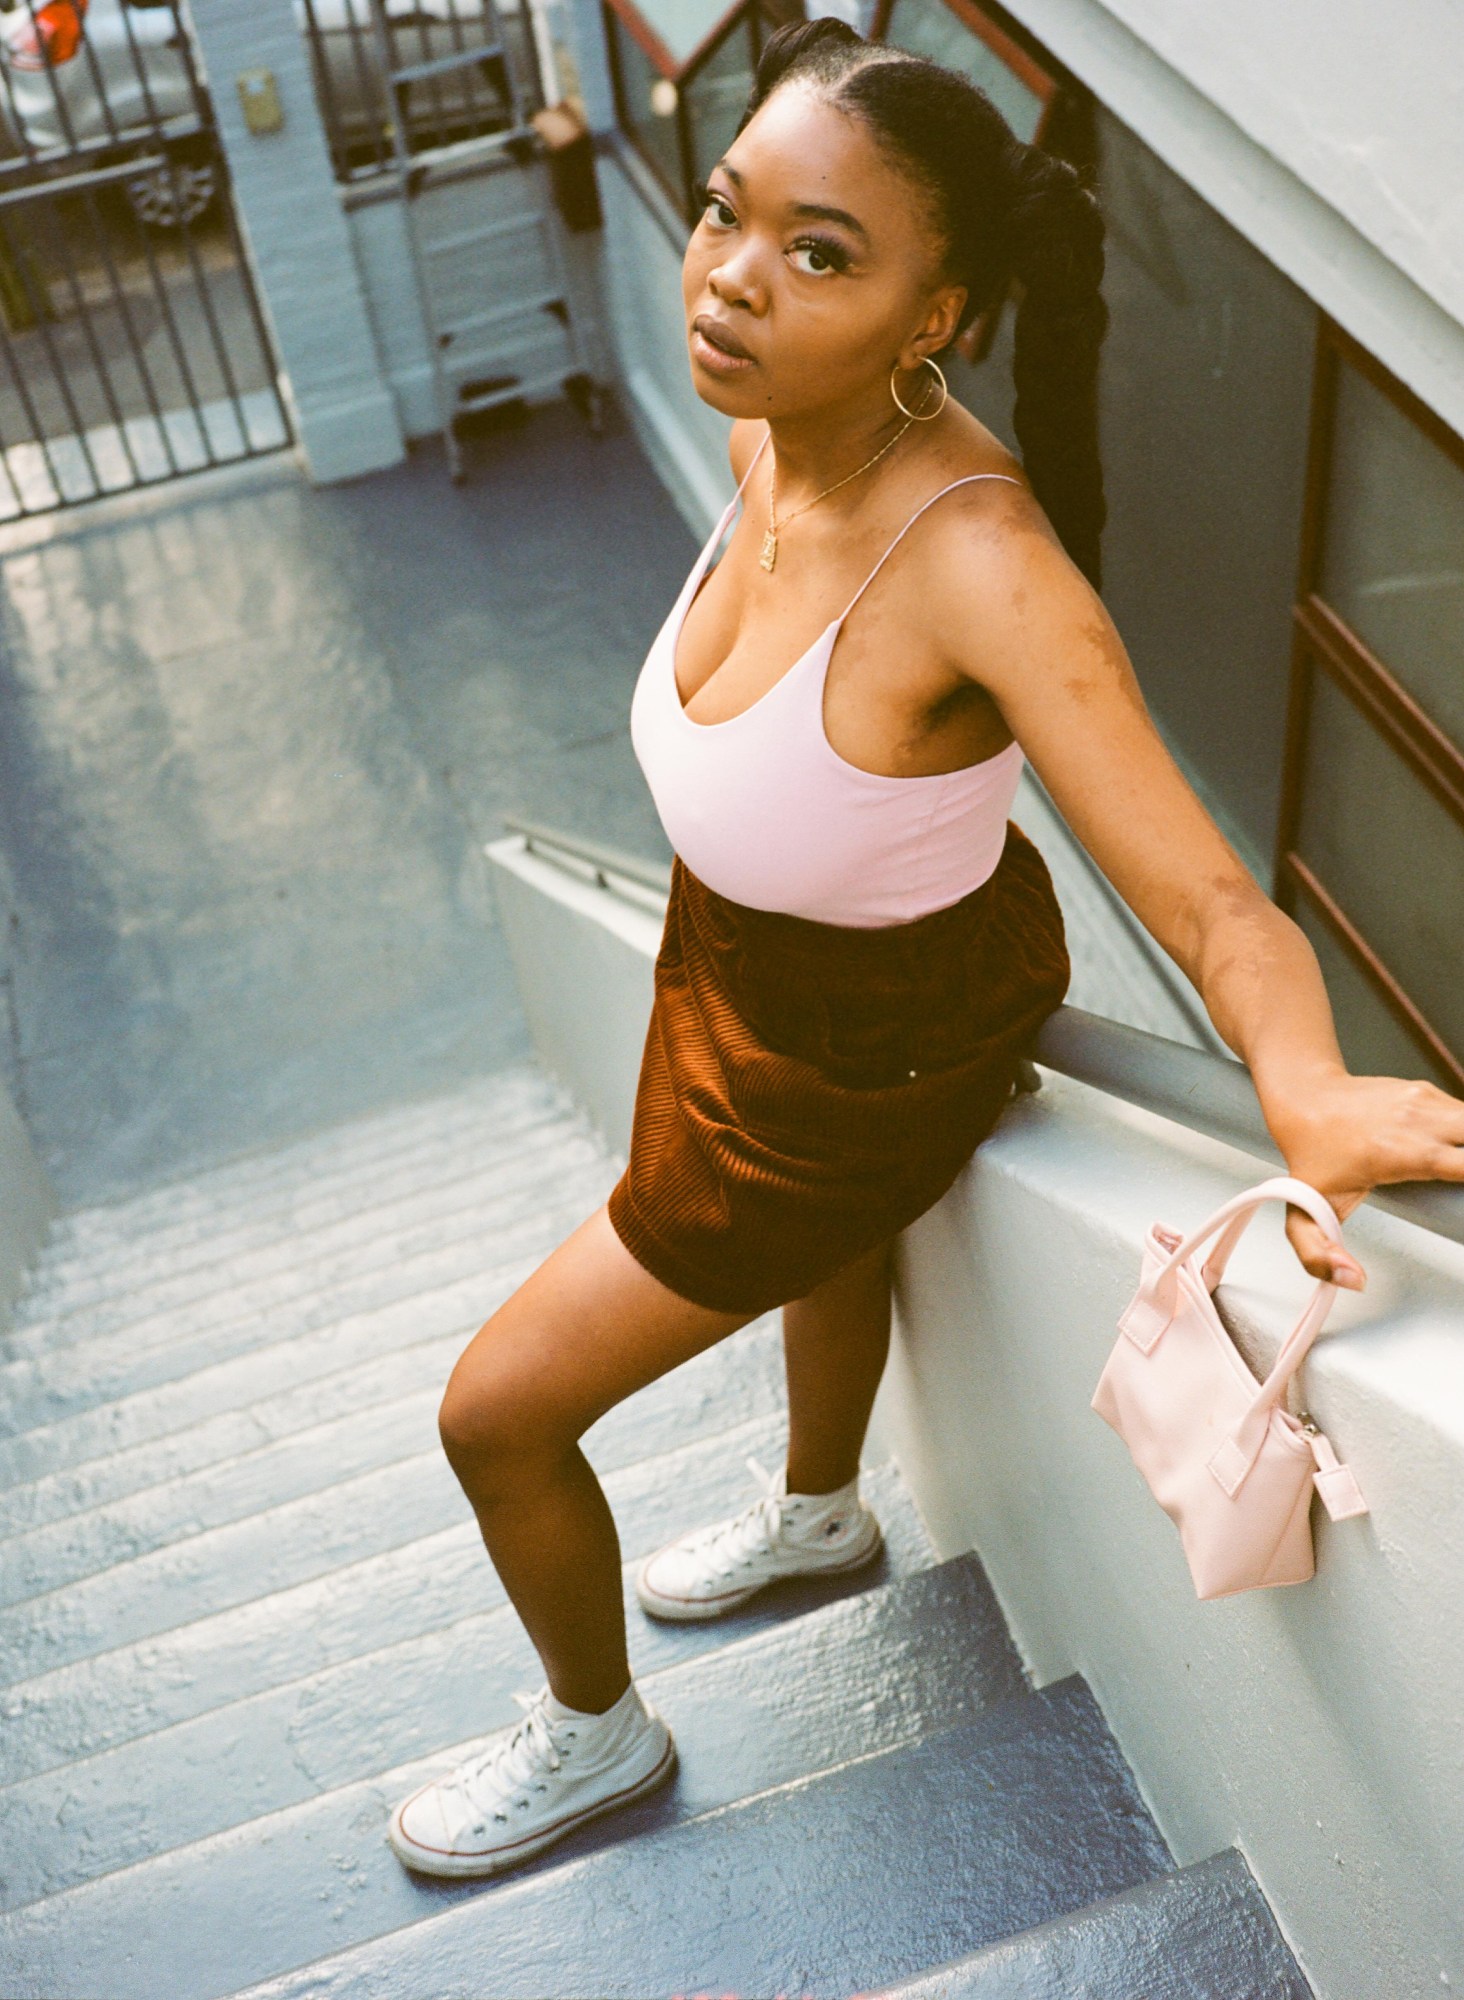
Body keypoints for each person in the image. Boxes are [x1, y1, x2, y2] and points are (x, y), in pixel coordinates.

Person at [387, 19, 1464, 1878]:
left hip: (851, 1066)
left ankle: (596, 1736)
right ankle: (824, 1515)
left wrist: (1300, 1081)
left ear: (935, 314)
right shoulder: (765, 419)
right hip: (737, 975)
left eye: (823, 253)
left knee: (494, 1416)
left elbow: (1214, 905)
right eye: (732, 210)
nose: (730, 276)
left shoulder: (984, 566)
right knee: (831, 1259)